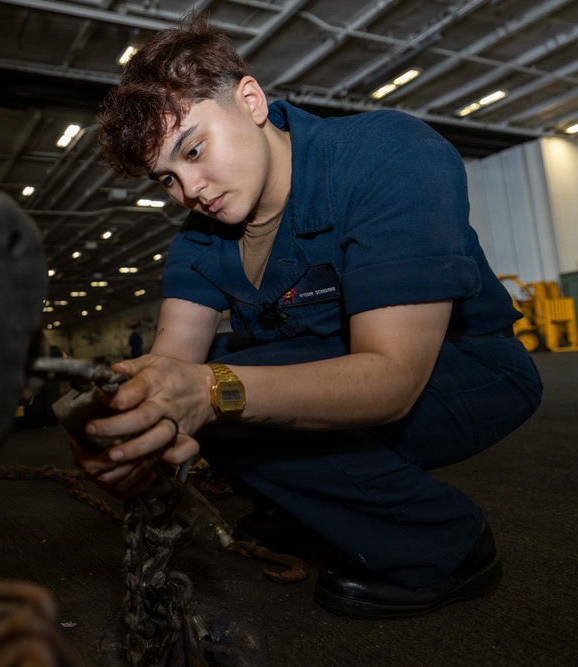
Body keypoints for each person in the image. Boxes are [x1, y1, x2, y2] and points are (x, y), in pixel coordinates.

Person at [75, 15, 543, 619]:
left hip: (466, 373)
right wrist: (124, 422)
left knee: (227, 395)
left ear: (250, 100)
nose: (190, 189)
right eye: (168, 177)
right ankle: (309, 506)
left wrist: (209, 392)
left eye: (193, 149)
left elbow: (393, 381)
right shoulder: (199, 243)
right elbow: (171, 367)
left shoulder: (388, 156)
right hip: (332, 374)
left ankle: (448, 545)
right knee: (210, 389)